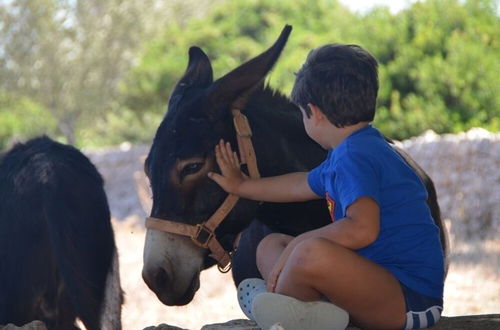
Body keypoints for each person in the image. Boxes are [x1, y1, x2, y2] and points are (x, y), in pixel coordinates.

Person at [208, 43, 445, 330]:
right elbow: (297, 184)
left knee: (308, 252)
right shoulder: (349, 152)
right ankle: (295, 310)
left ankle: (279, 310)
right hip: (373, 288)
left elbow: (362, 228)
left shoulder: (356, 156)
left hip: (407, 299)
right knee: (270, 245)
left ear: (313, 113)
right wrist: (242, 185)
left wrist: (300, 243)